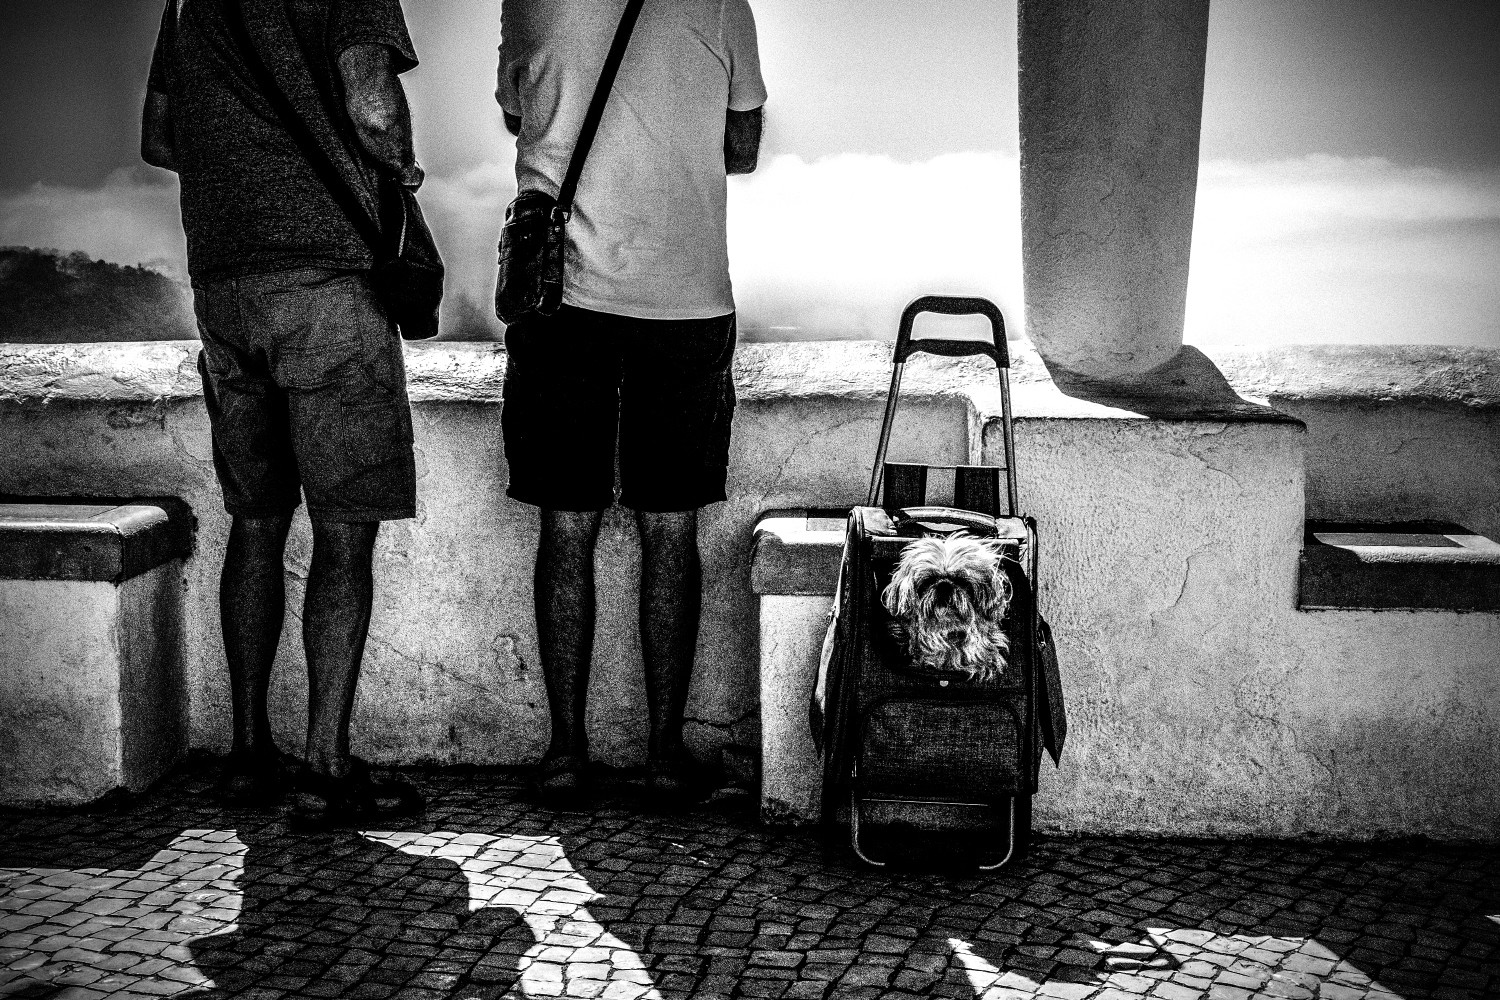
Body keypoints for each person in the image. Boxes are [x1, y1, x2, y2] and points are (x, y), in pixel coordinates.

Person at [141, 0, 424, 819]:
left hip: (223, 285)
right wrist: (401, 172)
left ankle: (247, 755)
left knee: (257, 521)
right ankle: (326, 767)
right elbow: (374, 107)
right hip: (324, 281)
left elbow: (160, 137)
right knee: (344, 530)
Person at [496, 0, 766, 796]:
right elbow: (743, 147)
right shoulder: (722, 1)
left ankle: (564, 754)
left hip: (561, 300)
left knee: (566, 527)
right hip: (685, 299)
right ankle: (665, 756)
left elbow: (516, 115)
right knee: (671, 529)